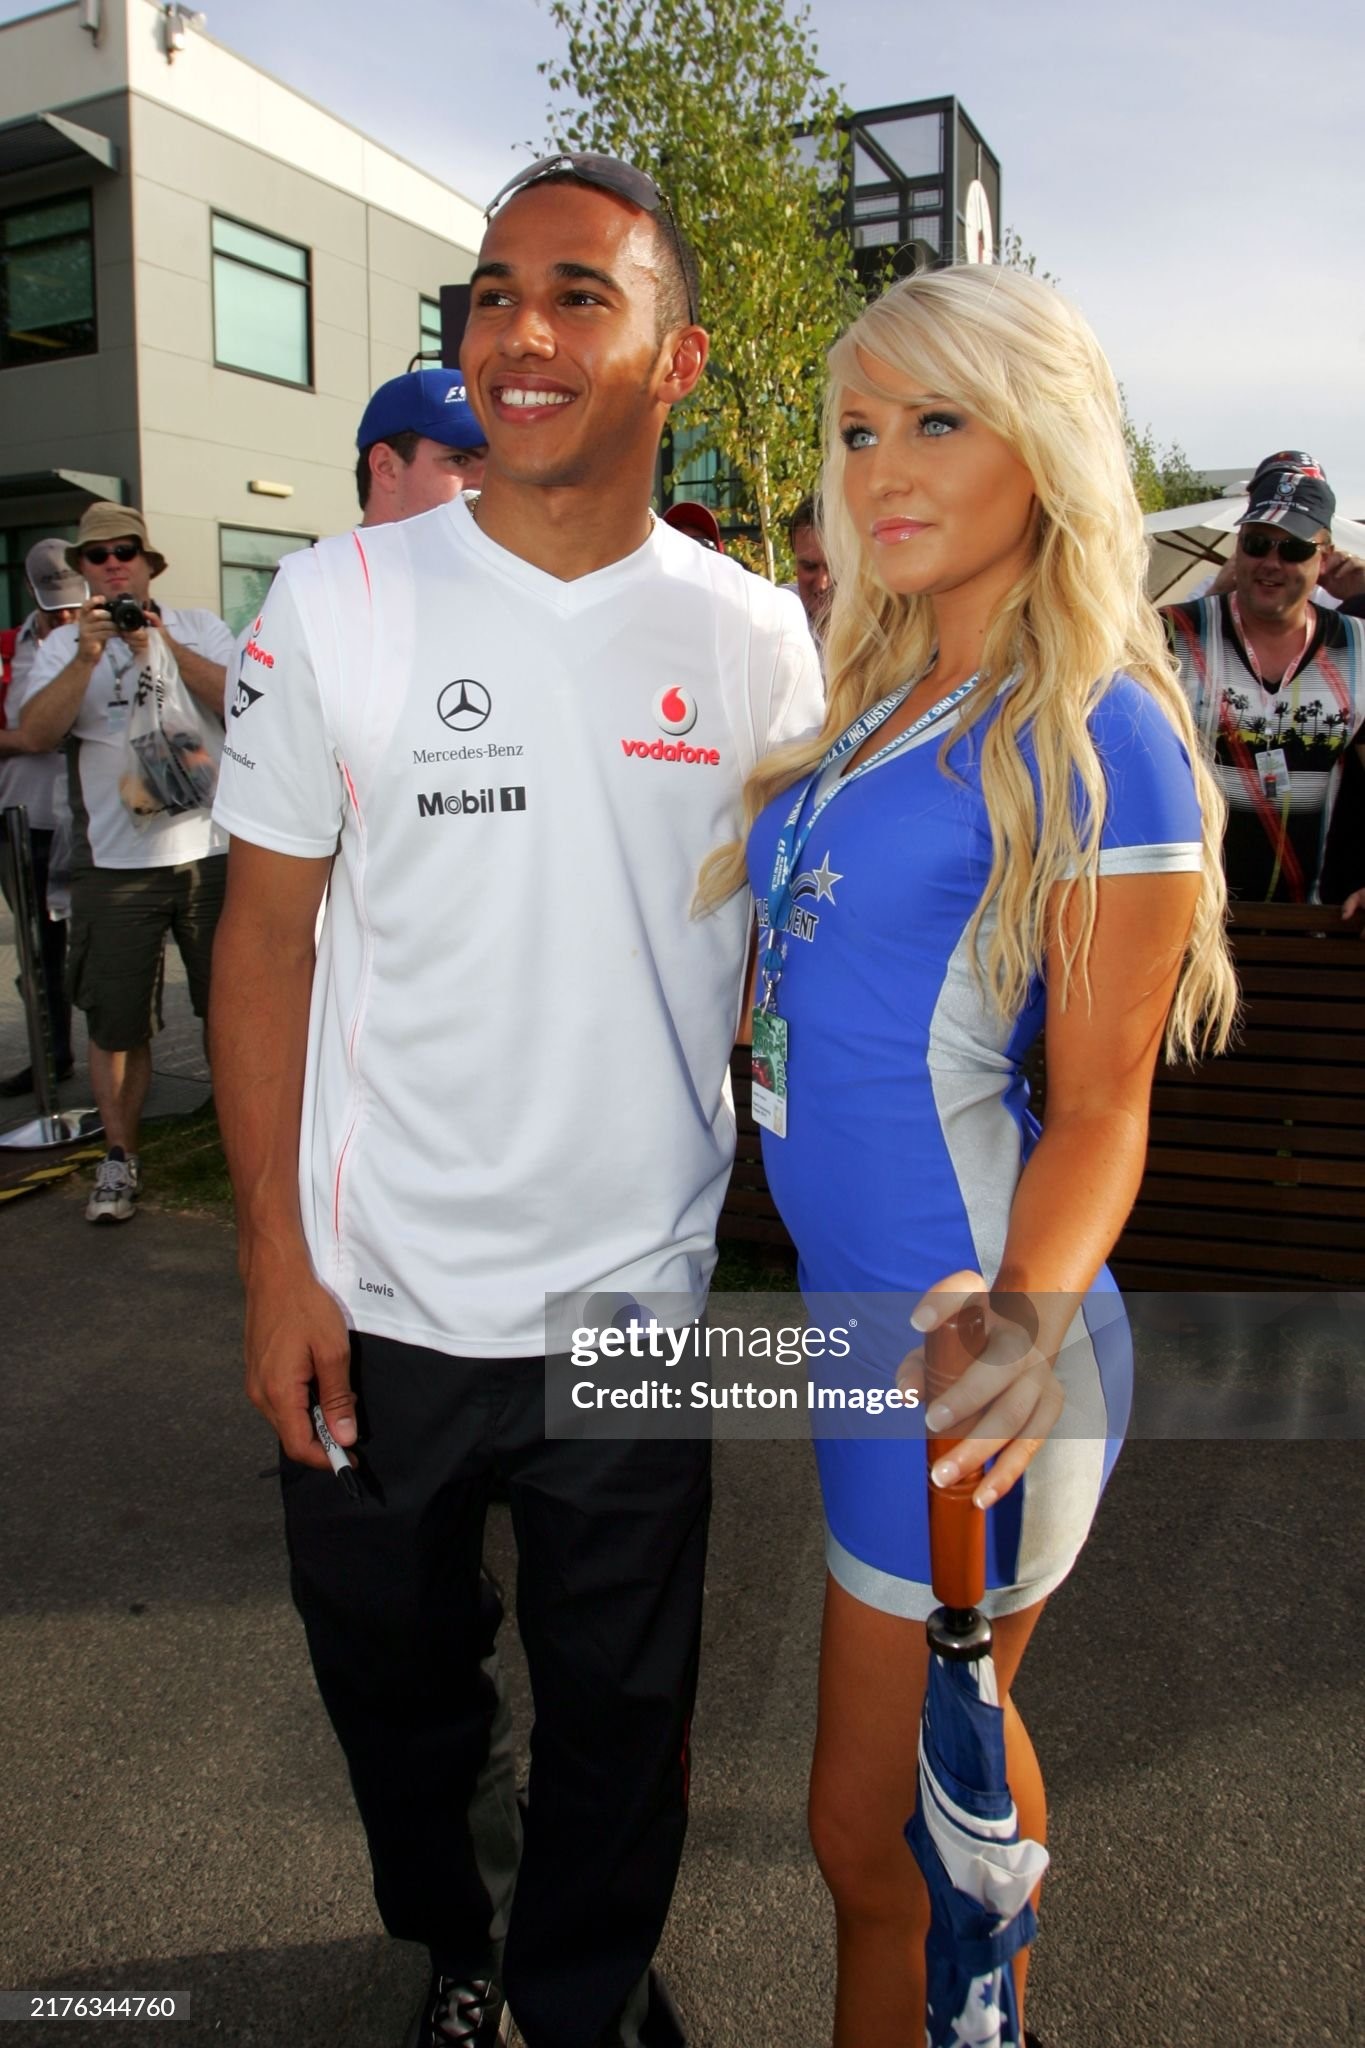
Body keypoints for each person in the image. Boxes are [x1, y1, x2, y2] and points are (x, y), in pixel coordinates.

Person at [209, 150, 821, 2048]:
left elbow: (811, 969)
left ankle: (573, 1989)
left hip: (635, 1295)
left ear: (680, 358)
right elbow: (262, 945)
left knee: (627, 1707)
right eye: (491, 292)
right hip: (377, 1291)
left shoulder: (750, 639)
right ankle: (462, 1930)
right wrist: (275, 1263)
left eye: (578, 294)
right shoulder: (343, 598)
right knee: (395, 1686)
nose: (520, 331)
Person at [697, 265, 1237, 2046]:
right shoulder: (877, 699)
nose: (883, 467)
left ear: (1049, 446)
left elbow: (1100, 1106)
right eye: (860, 430)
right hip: (865, 1339)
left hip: (974, 1354)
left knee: (890, 1841)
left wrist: (1021, 1313)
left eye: (940, 419)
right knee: (902, 1834)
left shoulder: (1102, 722)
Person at [17, 503, 233, 1220]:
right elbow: (38, 734)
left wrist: (162, 644)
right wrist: (85, 655)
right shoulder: (64, 645)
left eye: (126, 552)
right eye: (98, 555)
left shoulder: (197, 625)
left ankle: (243, 1141)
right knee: (115, 1021)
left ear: (150, 563)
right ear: (81, 570)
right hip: (114, 863)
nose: (113, 564)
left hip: (210, 851)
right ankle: (119, 1157)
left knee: (230, 1007)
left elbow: (242, 704)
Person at [1164, 452, 1365, 904]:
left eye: (1293, 548)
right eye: (1257, 543)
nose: (1271, 562)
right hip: (1186, 920)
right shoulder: (1168, 637)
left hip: (1317, 927)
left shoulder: (1359, 647)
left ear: (1325, 559)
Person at [0, 539, 85, 1093]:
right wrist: (27, 738)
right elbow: (29, 732)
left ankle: (120, 1059)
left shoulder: (105, 639)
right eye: (55, 610)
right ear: (32, 595)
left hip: (93, 821)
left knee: (104, 950)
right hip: (24, 819)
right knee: (38, 950)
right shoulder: (9, 649)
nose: (66, 620)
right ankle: (50, 1056)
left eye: (73, 607)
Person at [357, 368, 489, 524]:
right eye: (459, 459)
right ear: (386, 467)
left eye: (498, 466)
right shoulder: (331, 549)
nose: (490, 483)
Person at [785, 494, 832, 641]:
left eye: (834, 567)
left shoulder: (888, 625)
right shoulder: (776, 616)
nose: (822, 584)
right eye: (809, 567)